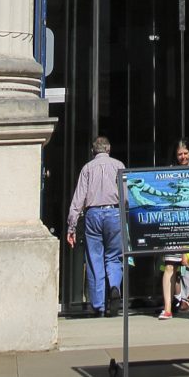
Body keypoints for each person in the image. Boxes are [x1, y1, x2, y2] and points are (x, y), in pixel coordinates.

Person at [63, 134, 127, 318]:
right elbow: (126, 196)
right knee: (114, 257)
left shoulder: (87, 168)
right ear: (109, 149)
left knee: (94, 258)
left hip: (93, 214)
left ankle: (98, 305)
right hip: (114, 212)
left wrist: (71, 226)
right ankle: (114, 286)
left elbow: (78, 198)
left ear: (93, 151)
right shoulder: (118, 165)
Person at [158, 139, 189, 320]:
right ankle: (168, 307)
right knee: (170, 266)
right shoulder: (169, 172)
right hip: (173, 224)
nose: (183, 157)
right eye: (179, 154)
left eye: (185, 153)